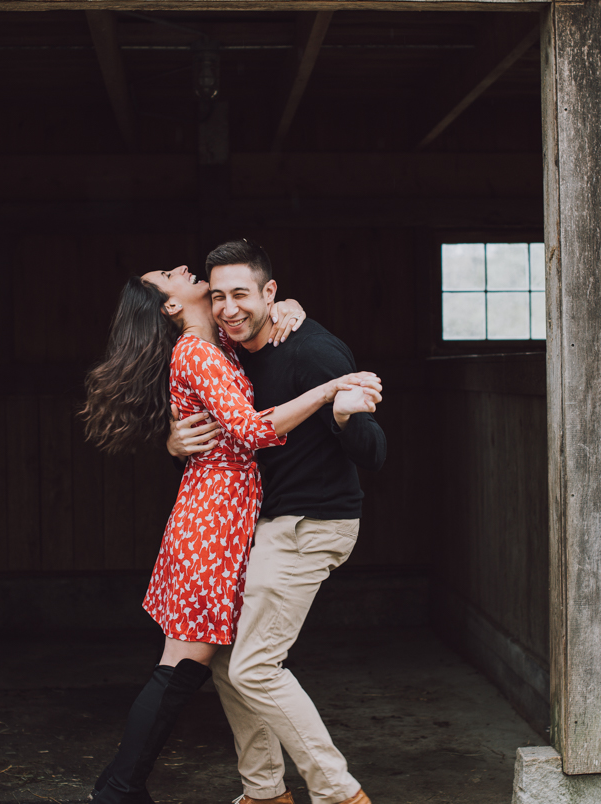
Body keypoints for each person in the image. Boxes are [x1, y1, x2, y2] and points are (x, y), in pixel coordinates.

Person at [80, 263, 382, 804]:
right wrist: (328, 388)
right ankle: (121, 788)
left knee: (208, 660)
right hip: (215, 517)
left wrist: (291, 308)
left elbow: (258, 320)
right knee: (186, 660)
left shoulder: (216, 339)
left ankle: (211, 791)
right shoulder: (196, 352)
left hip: (223, 512)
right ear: (171, 307)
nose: (183, 268)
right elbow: (252, 429)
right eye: (171, 275)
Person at [169, 240, 386, 804]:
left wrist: (344, 414)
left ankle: (341, 795)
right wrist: (174, 440)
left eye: (241, 293)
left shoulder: (313, 351)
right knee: (226, 664)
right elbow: (212, 419)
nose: (228, 307)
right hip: (267, 525)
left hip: (311, 523)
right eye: (217, 296)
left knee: (255, 667)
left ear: (269, 292)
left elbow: (375, 450)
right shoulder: (231, 351)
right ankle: (265, 792)